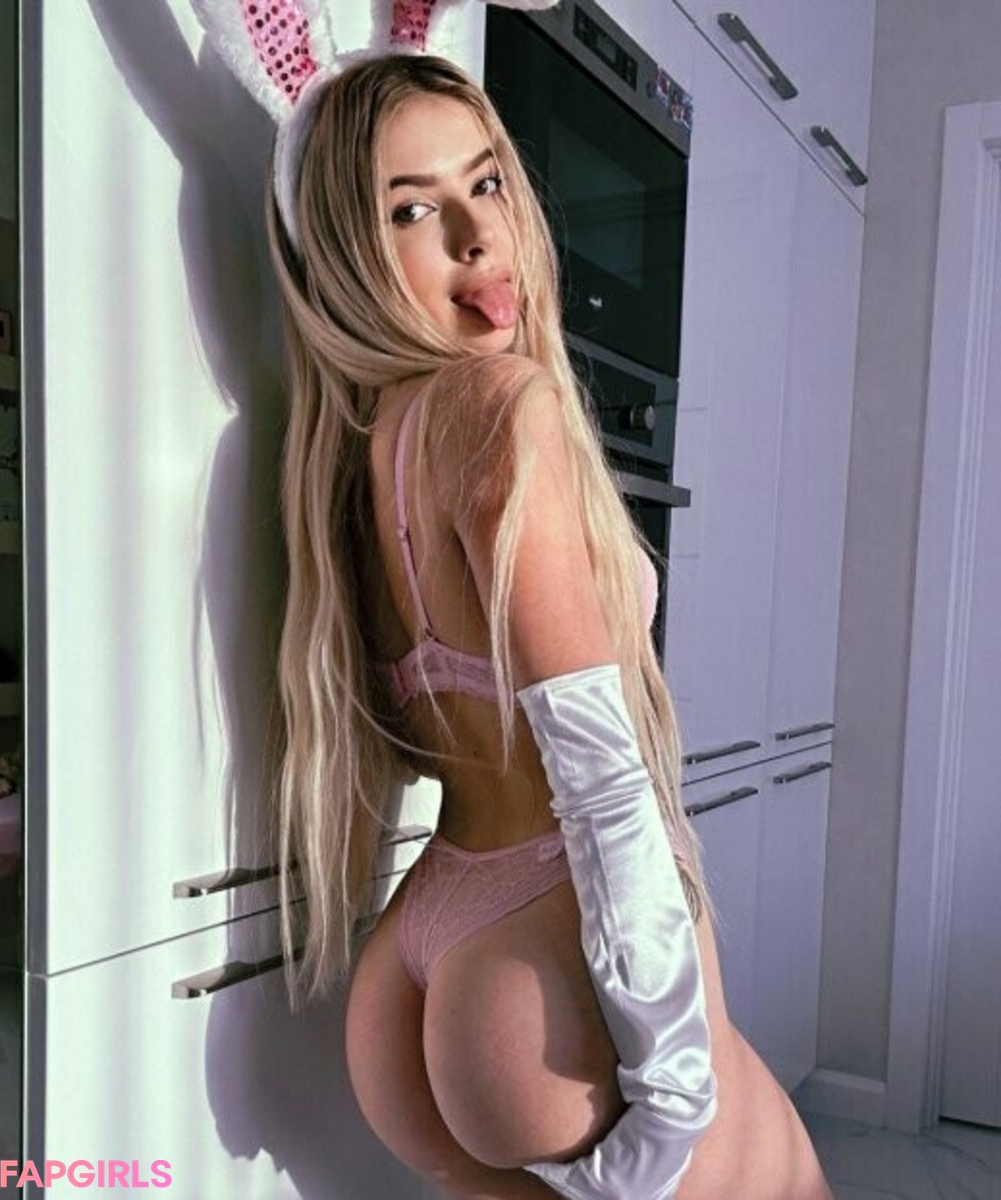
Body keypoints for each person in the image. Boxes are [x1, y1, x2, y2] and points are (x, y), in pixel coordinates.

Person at [191, 3, 835, 1196]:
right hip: (553, 949)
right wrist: (675, 1081)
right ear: (343, 254)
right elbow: (601, 782)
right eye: (412, 210)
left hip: (422, 953)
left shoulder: (350, 461)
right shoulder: (501, 408)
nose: (479, 236)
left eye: (485, 182)